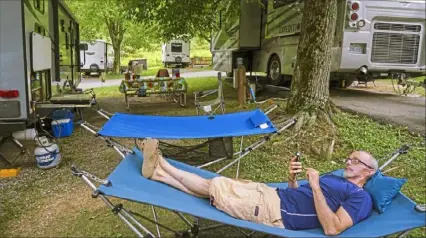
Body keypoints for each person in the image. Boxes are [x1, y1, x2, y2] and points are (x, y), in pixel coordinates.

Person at [138, 138, 378, 236]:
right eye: (349, 157)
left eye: (355, 161)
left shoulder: (360, 197)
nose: (348, 161)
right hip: (272, 194)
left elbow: (332, 228)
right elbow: (297, 195)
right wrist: (293, 179)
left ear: (369, 171)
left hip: (273, 213)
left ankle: (161, 163)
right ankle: (158, 174)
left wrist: (315, 186)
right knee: (214, 186)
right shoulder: (336, 179)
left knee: (216, 185)